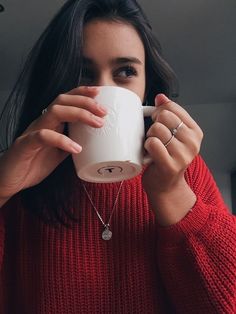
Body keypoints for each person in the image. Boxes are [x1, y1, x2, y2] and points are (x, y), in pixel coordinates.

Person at [0, 0, 235, 312]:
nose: (101, 92)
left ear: (145, 89)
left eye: (126, 71)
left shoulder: (182, 170)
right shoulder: (19, 172)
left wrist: (172, 194)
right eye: (82, 73)